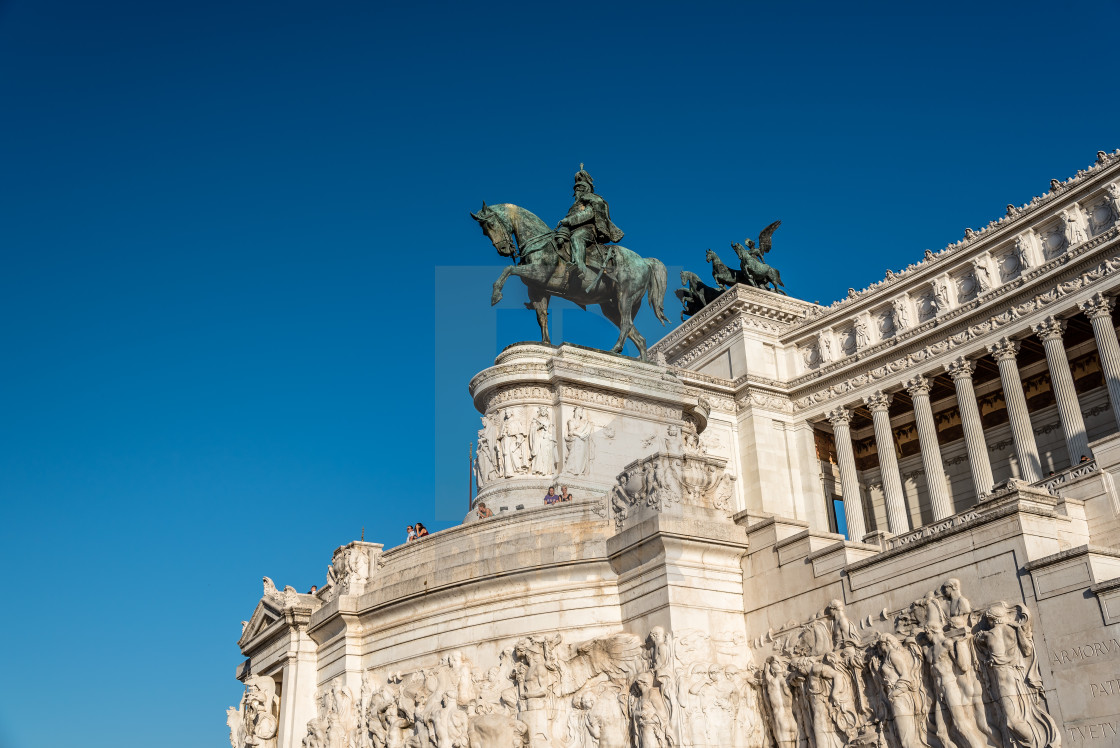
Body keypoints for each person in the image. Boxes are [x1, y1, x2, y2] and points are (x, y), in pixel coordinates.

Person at [555, 165, 624, 293]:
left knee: (577, 238)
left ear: (586, 188)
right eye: (575, 189)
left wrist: (569, 221)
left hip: (589, 230)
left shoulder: (593, 199)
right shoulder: (575, 205)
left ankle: (579, 267)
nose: (576, 192)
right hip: (572, 230)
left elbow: (588, 214)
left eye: (579, 188)